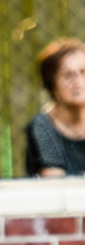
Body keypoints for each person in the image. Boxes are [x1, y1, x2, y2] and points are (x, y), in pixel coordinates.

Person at [25, 38, 85, 177]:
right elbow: (54, 182)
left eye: (83, 72)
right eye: (68, 76)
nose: (78, 82)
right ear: (52, 84)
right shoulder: (42, 126)